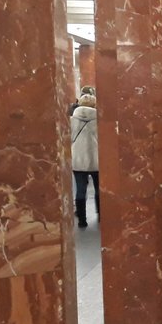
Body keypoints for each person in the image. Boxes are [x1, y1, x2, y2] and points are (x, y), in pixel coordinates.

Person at [70, 92, 99, 228]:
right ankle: (101, 215)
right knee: (99, 189)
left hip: (78, 159)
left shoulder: (72, 120)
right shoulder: (99, 119)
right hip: (96, 160)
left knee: (80, 190)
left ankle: (82, 220)